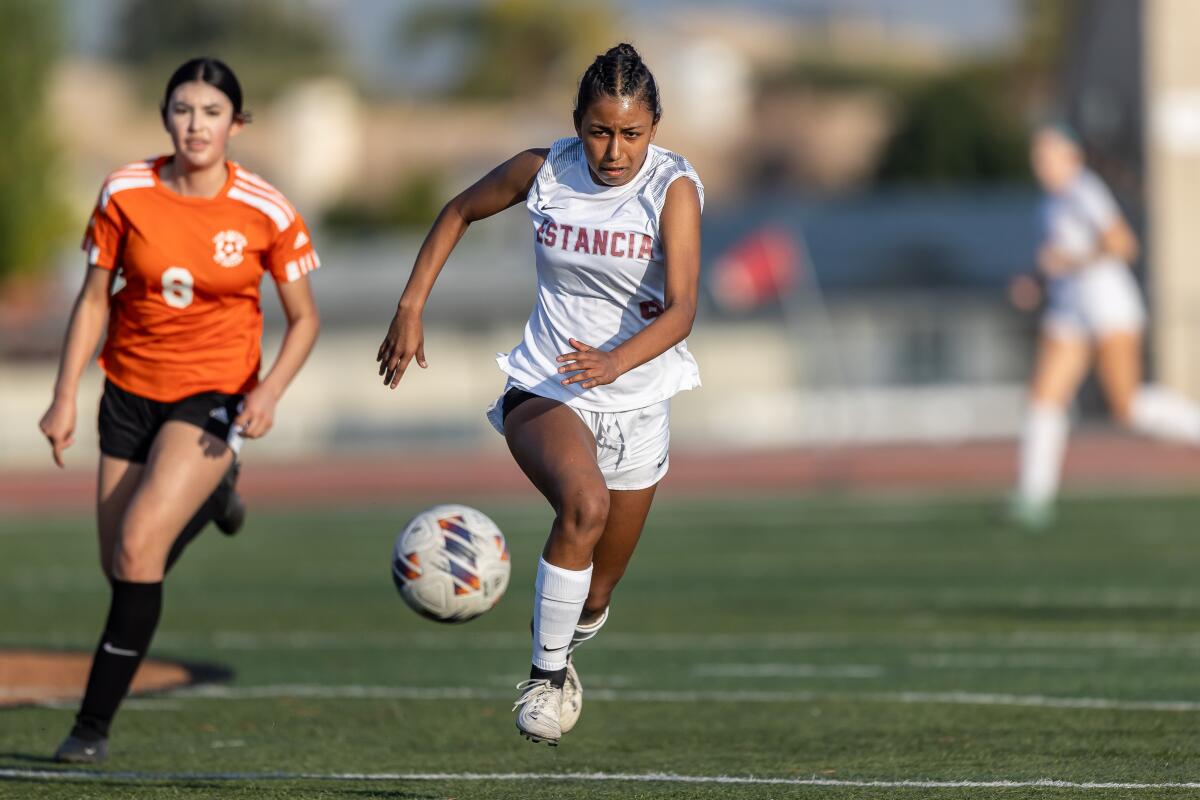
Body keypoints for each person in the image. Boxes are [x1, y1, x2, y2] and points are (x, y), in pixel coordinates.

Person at [376, 43, 703, 745]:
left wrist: (615, 364)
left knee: (598, 595)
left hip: (636, 396)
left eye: (631, 133)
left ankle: (567, 644)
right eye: (598, 130)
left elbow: (681, 309)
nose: (613, 150)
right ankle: (544, 678)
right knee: (582, 505)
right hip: (547, 381)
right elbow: (459, 210)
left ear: (654, 128)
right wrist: (411, 305)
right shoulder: (543, 169)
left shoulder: (671, 188)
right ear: (577, 122)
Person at [38, 57, 321, 762]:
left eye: (212, 112)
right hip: (129, 390)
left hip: (214, 393)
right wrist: (64, 394)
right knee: (122, 565)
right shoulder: (124, 191)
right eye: (183, 110)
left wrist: (269, 390)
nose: (197, 125)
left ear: (236, 123)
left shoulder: (266, 208)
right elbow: (94, 297)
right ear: (166, 116)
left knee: (139, 547)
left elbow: (304, 319)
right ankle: (215, 495)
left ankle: (90, 729)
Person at [1013, 123, 1200, 528]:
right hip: (1069, 312)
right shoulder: (1049, 205)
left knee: (1127, 407)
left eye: (1048, 156)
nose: (1040, 164)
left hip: (1109, 309)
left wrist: (1071, 262)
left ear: (1071, 158)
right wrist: (1036, 281)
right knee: (1044, 399)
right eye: (1038, 156)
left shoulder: (1085, 192)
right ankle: (1033, 496)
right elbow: (1058, 259)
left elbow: (1122, 245)